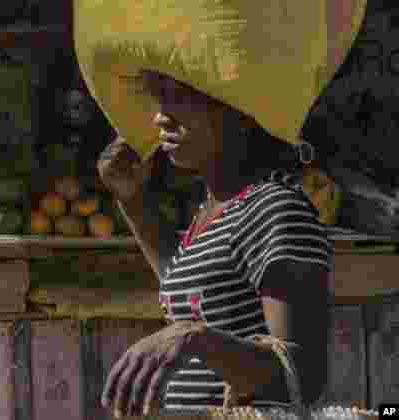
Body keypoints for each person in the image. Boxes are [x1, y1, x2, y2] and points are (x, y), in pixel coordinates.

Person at [97, 70, 330, 417]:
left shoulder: (275, 208)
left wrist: (195, 338)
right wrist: (132, 199)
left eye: (180, 97)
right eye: (159, 98)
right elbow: (196, 293)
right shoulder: (216, 209)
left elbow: (303, 377)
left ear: (239, 112)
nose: (161, 116)